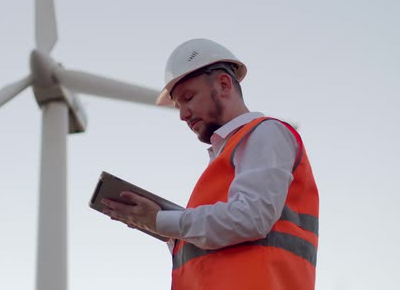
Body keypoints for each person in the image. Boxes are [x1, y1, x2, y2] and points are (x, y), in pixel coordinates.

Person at [101, 38, 319, 290]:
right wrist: (166, 230)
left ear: (224, 84)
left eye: (189, 97)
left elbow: (251, 218)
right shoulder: (227, 158)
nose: (182, 114)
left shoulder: (265, 133)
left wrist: (162, 220)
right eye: (178, 105)